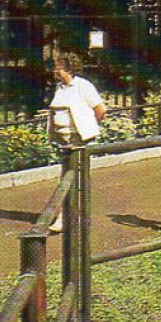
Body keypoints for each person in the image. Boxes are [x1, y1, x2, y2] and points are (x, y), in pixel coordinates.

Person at [45, 50, 106, 234]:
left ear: (68, 69)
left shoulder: (83, 86)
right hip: (63, 140)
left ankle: (65, 218)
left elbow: (100, 109)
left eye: (58, 68)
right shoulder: (60, 88)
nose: (55, 71)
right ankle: (71, 216)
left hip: (78, 139)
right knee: (68, 177)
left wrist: (87, 126)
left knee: (70, 177)